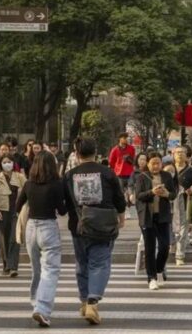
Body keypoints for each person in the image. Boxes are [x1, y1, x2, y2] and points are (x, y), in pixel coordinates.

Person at [64, 138, 126, 325]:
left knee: (82, 264)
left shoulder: (69, 175)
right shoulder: (107, 173)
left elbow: (65, 202)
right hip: (103, 225)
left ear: (76, 153)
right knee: (99, 263)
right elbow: (119, 199)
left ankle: (84, 301)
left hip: (78, 225)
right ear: (96, 152)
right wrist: (121, 219)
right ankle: (92, 302)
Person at [15, 151, 67, 327]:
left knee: (36, 269)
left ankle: (35, 301)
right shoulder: (56, 184)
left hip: (31, 228)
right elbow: (61, 210)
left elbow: (17, 206)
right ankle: (42, 309)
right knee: (50, 270)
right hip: (48, 227)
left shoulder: (29, 184)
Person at [135, 152, 177, 290]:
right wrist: (152, 192)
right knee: (150, 247)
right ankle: (151, 277)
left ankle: (159, 270)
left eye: (158, 163)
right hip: (147, 216)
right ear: (148, 164)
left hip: (163, 216)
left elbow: (173, 194)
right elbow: (139, 196)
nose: (155, 166)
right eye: (153, 163)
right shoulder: (142, 177)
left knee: (165, 246)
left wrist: (166, 194)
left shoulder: (166, 176)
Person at [0, 154, 27, 275]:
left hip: (16, 211)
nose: (7, 164)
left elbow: (27, 191)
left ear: (13, 163)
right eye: (5, 162)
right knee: (3, 239)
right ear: (1, 164)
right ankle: (6, 265)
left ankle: (13, 267)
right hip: (2, 211)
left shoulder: (20, 177)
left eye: (9, 161)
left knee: (14, 238)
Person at [172, 145, 192, 266]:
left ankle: (180, 255)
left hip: (184, 202)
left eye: (182, 152)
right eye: (177, 152)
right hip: (168, 203)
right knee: (170, 227)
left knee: (183, 229)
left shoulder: (191, 171)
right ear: (173, 155)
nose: (179, 154)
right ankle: (172, 244)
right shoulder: (169, 168)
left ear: (187, 156)